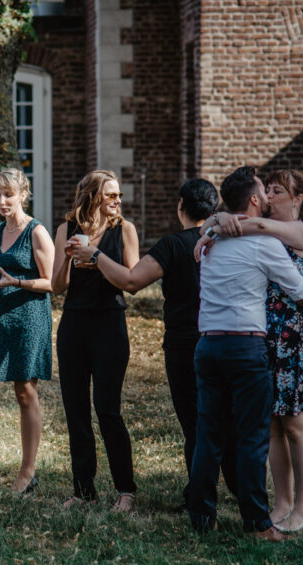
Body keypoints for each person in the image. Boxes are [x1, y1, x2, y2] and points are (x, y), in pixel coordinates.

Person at [70, 179, 237, 502]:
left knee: (194, 421)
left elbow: (132, 282)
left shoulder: (173, 245)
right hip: (231, 337)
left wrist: (96, 255)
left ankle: (202, 496)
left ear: (180, 207)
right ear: (214, 210)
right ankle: (241, 489)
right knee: (228, 417)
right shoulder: (233, 242)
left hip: (185, 343)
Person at [186, 166, 303, 542]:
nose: (267, 196)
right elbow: (302, 292)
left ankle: (202, 517)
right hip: (246, 347)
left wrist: (216, 222)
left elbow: (215, 230)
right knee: (252, 437)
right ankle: (258, 524)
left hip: (208, 345)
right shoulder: (260, 243)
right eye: (264, 191)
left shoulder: (212, 241)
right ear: (254, 200)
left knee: (209, 435)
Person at [51, 170, 140, 511]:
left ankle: (126, 490)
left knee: (107, 409)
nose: (118, 201)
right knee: (76, 411)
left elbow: (131, 280)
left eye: (118, 195)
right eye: (111, 195)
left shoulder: (124, 230)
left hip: (109, 323)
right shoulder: (66, 230)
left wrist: (98, 260)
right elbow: (58, 287)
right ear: (92, 197)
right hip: (74, 323)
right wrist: (70, 261)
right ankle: (83, 490)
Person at [0, 168, 54, 492]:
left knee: (24, 392)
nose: (2, 201)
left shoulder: (37, 232)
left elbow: (53, 284)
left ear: (23, 195)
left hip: (28, 318)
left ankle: (28, 471)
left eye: (8, 195)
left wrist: (17, 281)